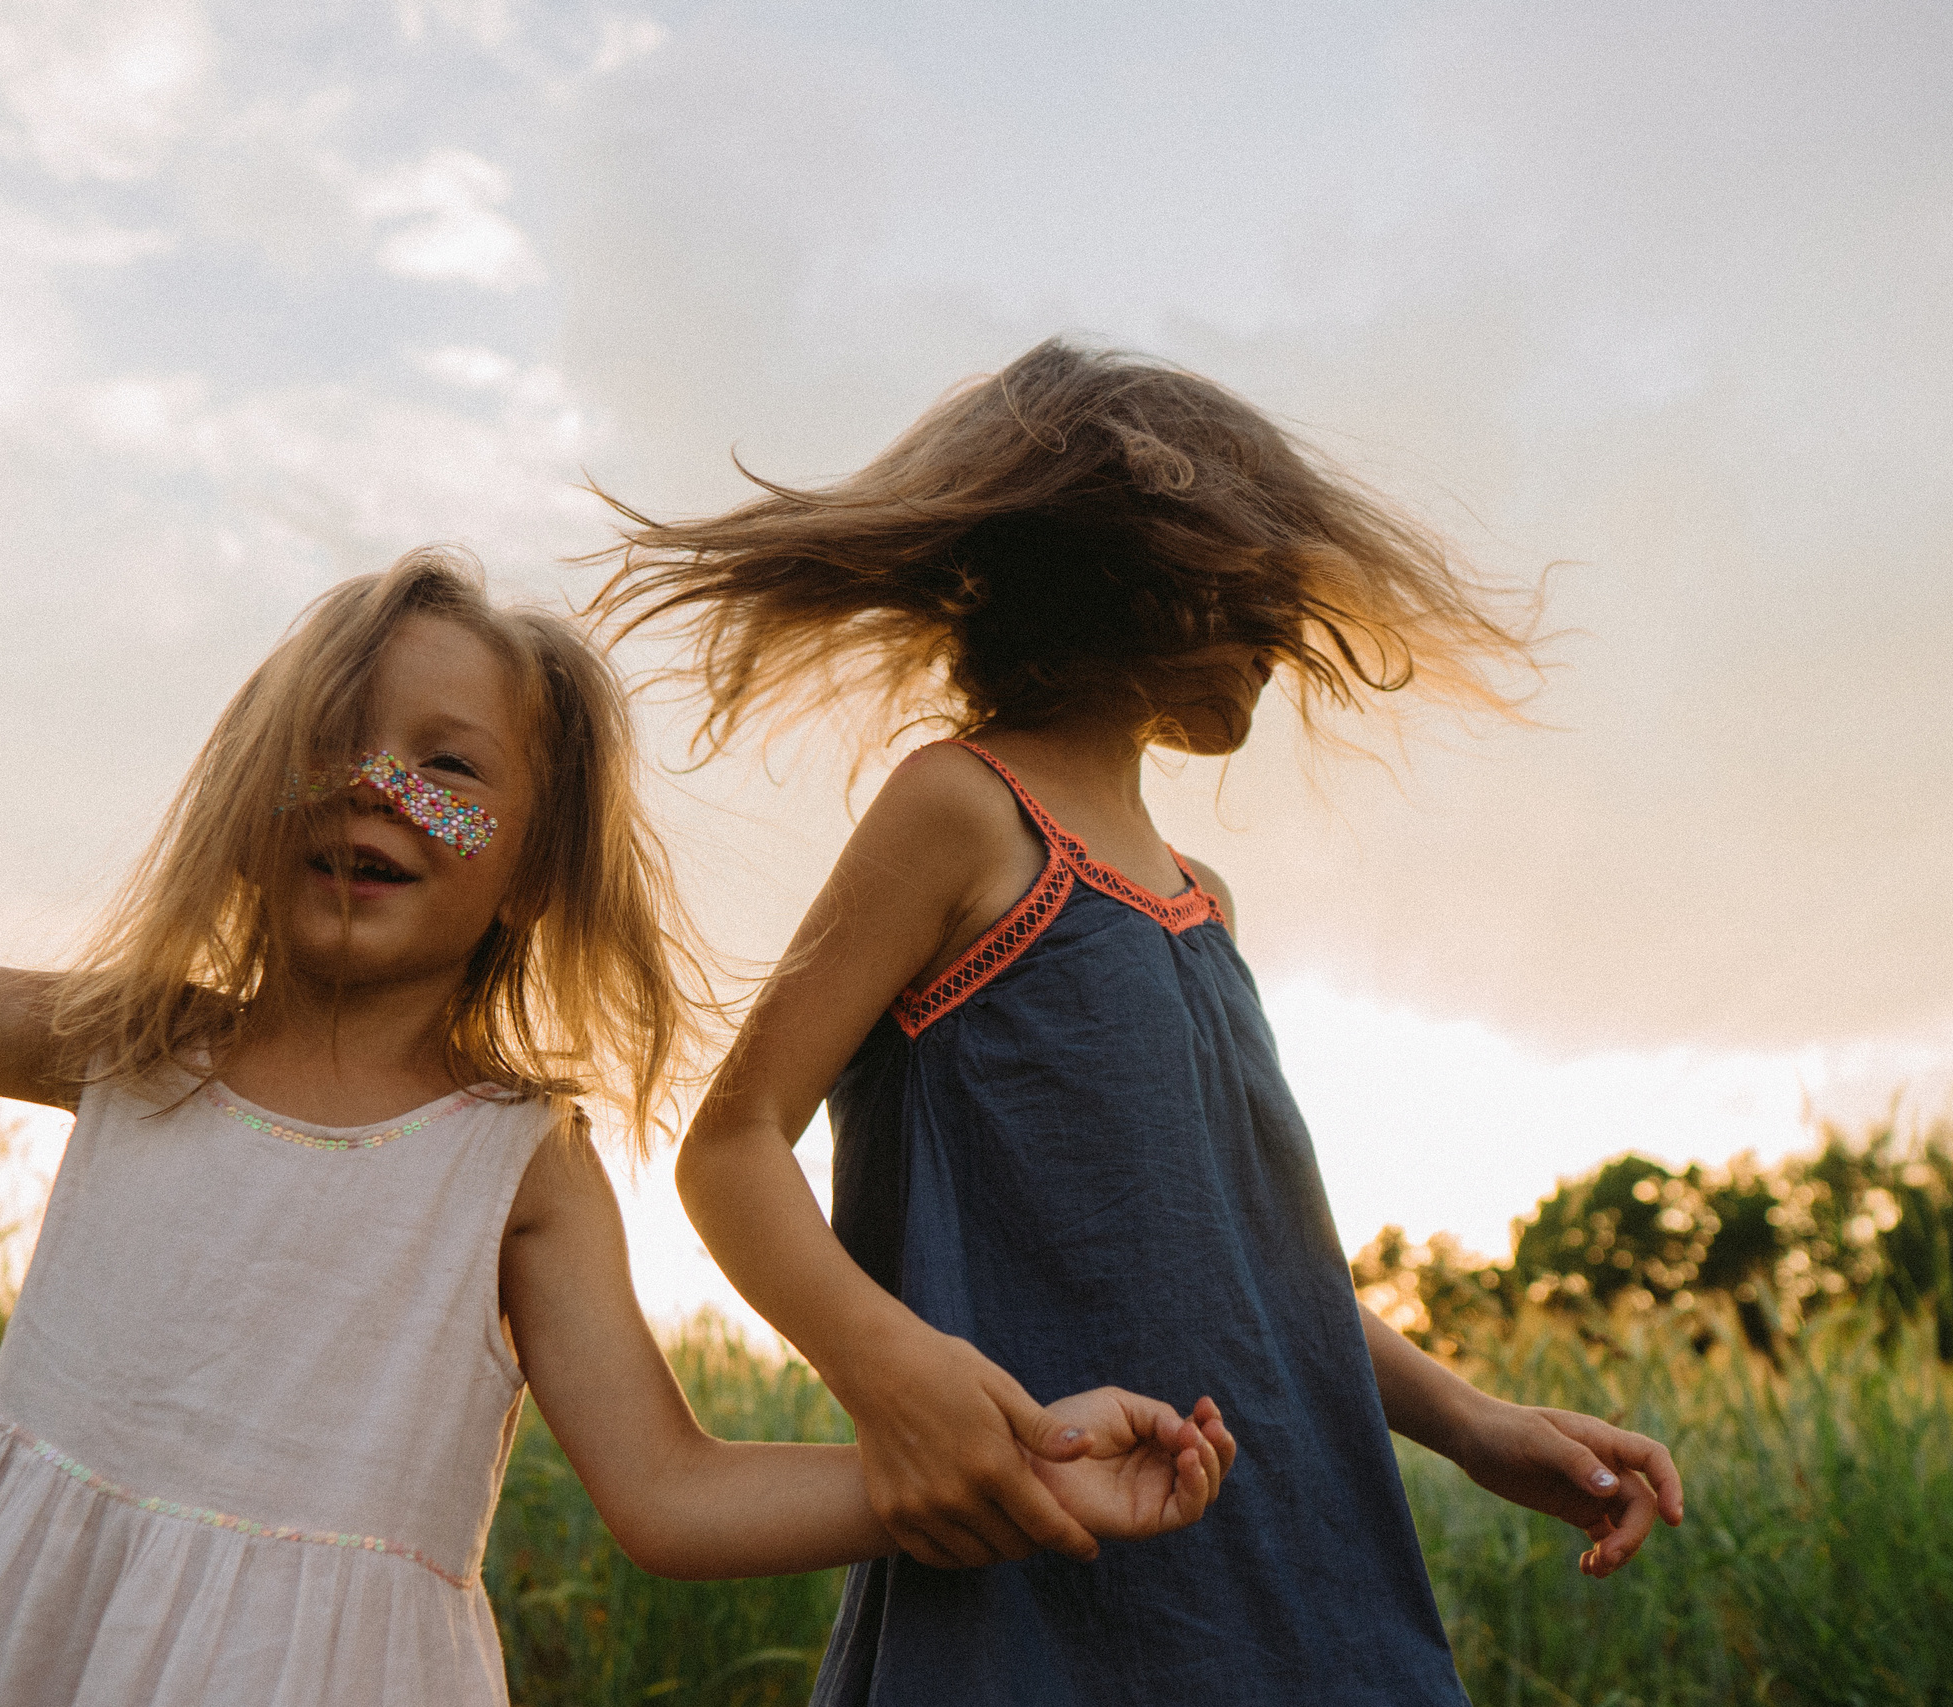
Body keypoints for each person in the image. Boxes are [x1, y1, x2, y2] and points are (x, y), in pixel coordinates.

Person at [0, 462, 1238, 1707]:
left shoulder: (516, 1162)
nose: (376, 789)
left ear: (527, 872)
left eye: (448, 769)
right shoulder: (136, 1041)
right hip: (30, 1641)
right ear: (253, 796)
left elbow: (670, 1494)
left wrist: (1010, 1465)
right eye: (333, 746)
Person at [587, 339, 1687, 1704]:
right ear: (1139, 577)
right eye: (1255, 583)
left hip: (1299, 1574)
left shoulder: (1204, 905)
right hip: (1048, 1569)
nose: (1288, 627)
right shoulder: (965, 809)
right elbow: (733, 1142)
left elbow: (1268, 1266)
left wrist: (1474, 1423)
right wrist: (898, 1376)